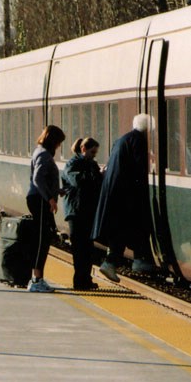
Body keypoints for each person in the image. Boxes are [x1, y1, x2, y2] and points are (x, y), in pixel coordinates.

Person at [91, 114, 157, 282]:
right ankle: (118, 262)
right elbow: (139, 170)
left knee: (120, 228)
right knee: (127, 227)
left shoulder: (122, 139)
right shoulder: (139, 141)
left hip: (114, 191)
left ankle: (134, 261)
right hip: (125, 194)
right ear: (147, 130)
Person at [26, 125, 65, 293]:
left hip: (39, 199)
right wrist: (50, 198)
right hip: (40, 200)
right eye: (58, 142)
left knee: (43, 239)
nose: (59, 146)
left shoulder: (40, 152)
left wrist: (57, 191)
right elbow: (38, 179)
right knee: (41, 240)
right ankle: (36, 280)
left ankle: (37, 278)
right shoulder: (44, 154)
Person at [62, 137, 102, 290]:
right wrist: (94, 175)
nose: (94, 155)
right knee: (79, 248)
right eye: (92, 152)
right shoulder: (72, 164)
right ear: (83, 149)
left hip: (88, 210)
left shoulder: (92, 164)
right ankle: (79, 281)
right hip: (76, 211)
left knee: (87, 248)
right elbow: (77, 181)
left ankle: (86, 279)